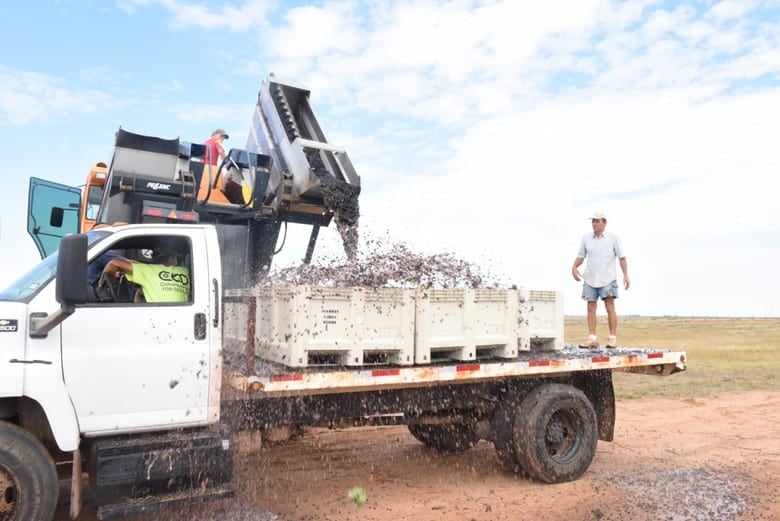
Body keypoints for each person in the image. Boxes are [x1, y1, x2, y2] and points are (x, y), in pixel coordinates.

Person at [571, 212, 630, 349]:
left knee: (610, 307)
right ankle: (592, 338)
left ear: (604, 223)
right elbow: (581, 256)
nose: (594, 224)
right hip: (590, 278)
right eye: (593, 221)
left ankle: (612, 338)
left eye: (597, 221)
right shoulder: (586, 238)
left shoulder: (613, 238)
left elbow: (622, 258)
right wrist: (574, 267)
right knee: (590, 307)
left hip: (608, 278)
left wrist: (625, 275)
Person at [101, 247, 190, 303]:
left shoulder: (148, 270)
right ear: (173, 258)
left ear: (154, 259)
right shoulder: (187, 272)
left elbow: (113, 264)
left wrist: (100, 286)